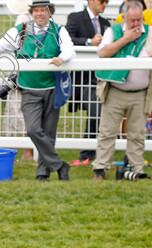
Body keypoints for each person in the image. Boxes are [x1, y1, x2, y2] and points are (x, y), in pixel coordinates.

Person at [0, 0, 75, 181]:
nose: (40, 14)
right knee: (33, 129)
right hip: (29, 89)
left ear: (50, 12)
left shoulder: (59, 30)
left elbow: (69, 50)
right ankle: (60, 165)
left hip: (51, 88)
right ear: (31, 12)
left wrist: (61, 58)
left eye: (44, 10)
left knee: (49, 133)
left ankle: (42, 173)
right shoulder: (20, 30)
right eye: (36, 10)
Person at [92, 1, 151, 180]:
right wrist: (126, 39)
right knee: (107, 132)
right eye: (132, 20)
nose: (136, 24)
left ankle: (136, 168)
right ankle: (100, 169)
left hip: (141, 92)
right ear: (124, 18)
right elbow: (102, 53)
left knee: (137, 134)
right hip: (116, 90)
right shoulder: (113, 31)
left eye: (139, 20)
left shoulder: (149, 32)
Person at [66, 0, 111, 163]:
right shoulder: (76, 18)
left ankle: (93, 151)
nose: (105, 4)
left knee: (99, 113)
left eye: (107, 1)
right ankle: (87, 152)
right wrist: (88, 42)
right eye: (102, 1)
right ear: (91, 1)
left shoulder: (106, 23)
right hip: (84, 78)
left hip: (102, 77)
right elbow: (67, 38)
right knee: (95, 112)